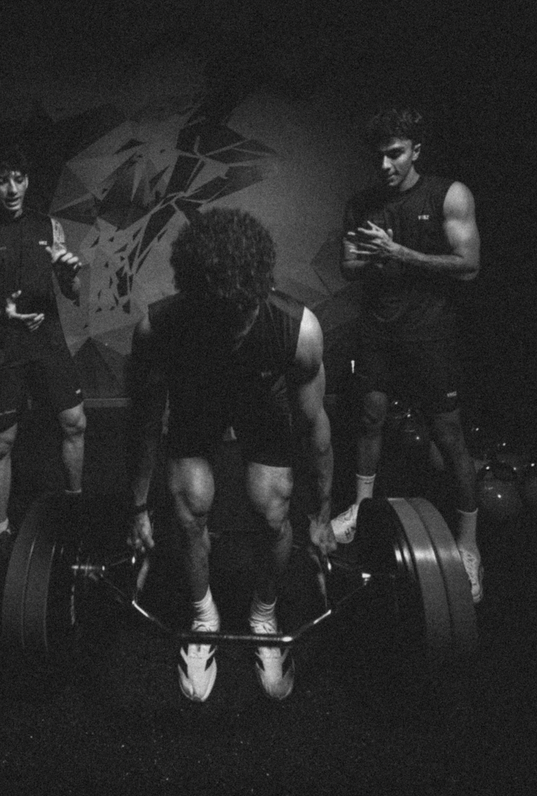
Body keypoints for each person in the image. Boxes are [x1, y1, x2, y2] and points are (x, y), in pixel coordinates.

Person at [126, 207, 336, 702]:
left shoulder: (298, 331)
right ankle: (204, 616)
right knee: (190, 506)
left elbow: (314, 428)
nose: (235, 328)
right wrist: (137, 508)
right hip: (197, 400)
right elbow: (144, 423)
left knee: (273, 508)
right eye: (221, 318)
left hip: (261, 401)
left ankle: (264, 612)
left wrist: (323, 513)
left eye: (245, 313)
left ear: (260, 291)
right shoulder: (159, 328)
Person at [330, 107, 484, 603]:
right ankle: (361, 509)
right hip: (378, 331)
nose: (385, 165)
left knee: (448, 435)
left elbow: (469, 265)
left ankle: (468, 543)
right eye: (378, 156)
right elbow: (348, 266)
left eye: (395, 154)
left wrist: (399, 253)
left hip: (431, 334)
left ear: (416, 150)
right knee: (369, 418)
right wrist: (371, 257)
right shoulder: (362, 203)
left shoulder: (449, 194)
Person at [0, 141, 85, 587]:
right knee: (0, 444)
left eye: (19, 179)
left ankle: (75, 509)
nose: (12, 190)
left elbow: (72, 293)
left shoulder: (49, 225)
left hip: (47, 339)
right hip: (2, 344)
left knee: (74, 423)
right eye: (1, 181)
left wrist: (69, 276)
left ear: (28, 180)